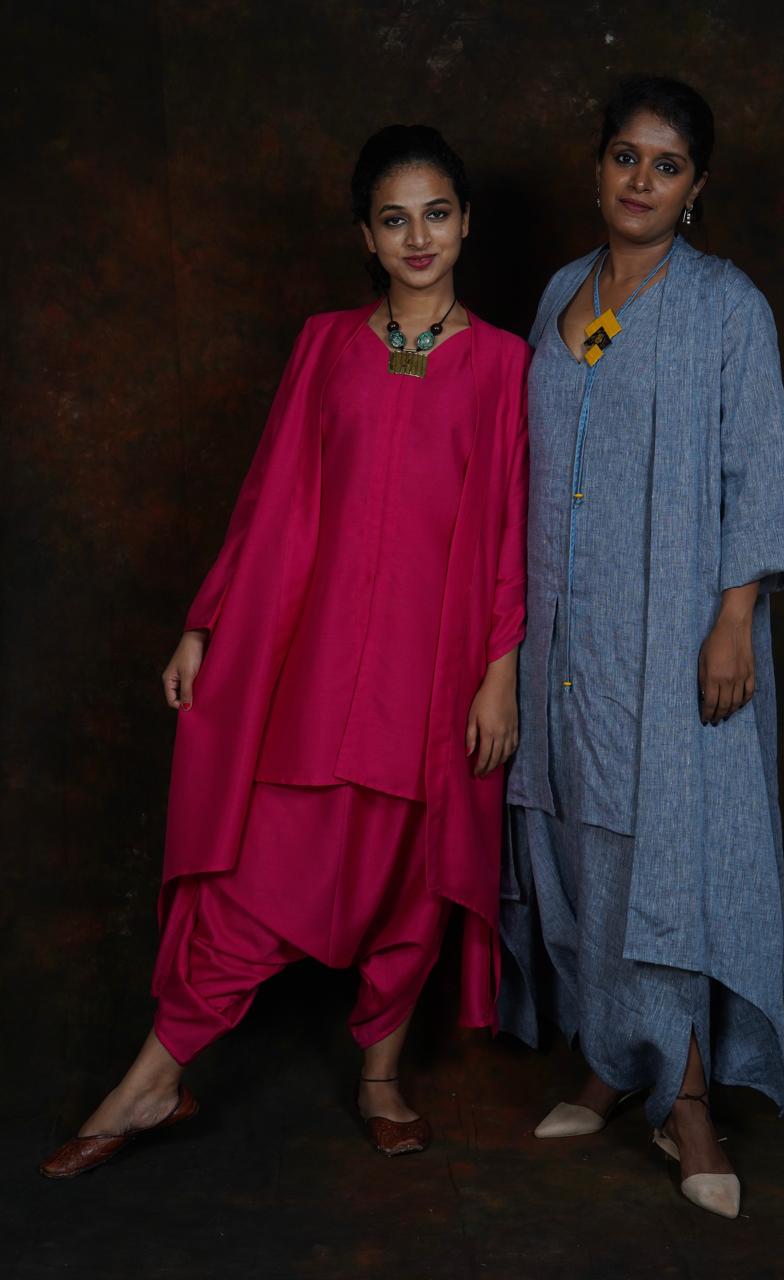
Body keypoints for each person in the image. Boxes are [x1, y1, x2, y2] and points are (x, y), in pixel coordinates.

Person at [40, 125, 529, 1177]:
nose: (418, 238)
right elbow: (268, 493)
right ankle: (153, 1078)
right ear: (365, 236)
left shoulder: (505, 363)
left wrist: (500, 673)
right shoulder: (324, 344)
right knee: (258, 873)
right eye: (393, 219)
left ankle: (381, 1076)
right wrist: (204, 623)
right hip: (316, 661)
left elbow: (508, 531)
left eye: (436, 214)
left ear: (465, 222)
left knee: (409, 878)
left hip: (432, 669)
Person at [501, 76, 784, 1219]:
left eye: (666, 164)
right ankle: (608, 1057)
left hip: (673, 630)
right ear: (597, 169)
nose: (641, 179)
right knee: (577, 839)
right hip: (560, 633)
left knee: (663, 853)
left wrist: (734, 617)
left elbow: (759, 467)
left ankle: (685, 1100)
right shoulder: (559, 292)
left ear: (695, 187)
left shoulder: (728, 305)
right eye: (625, 155)